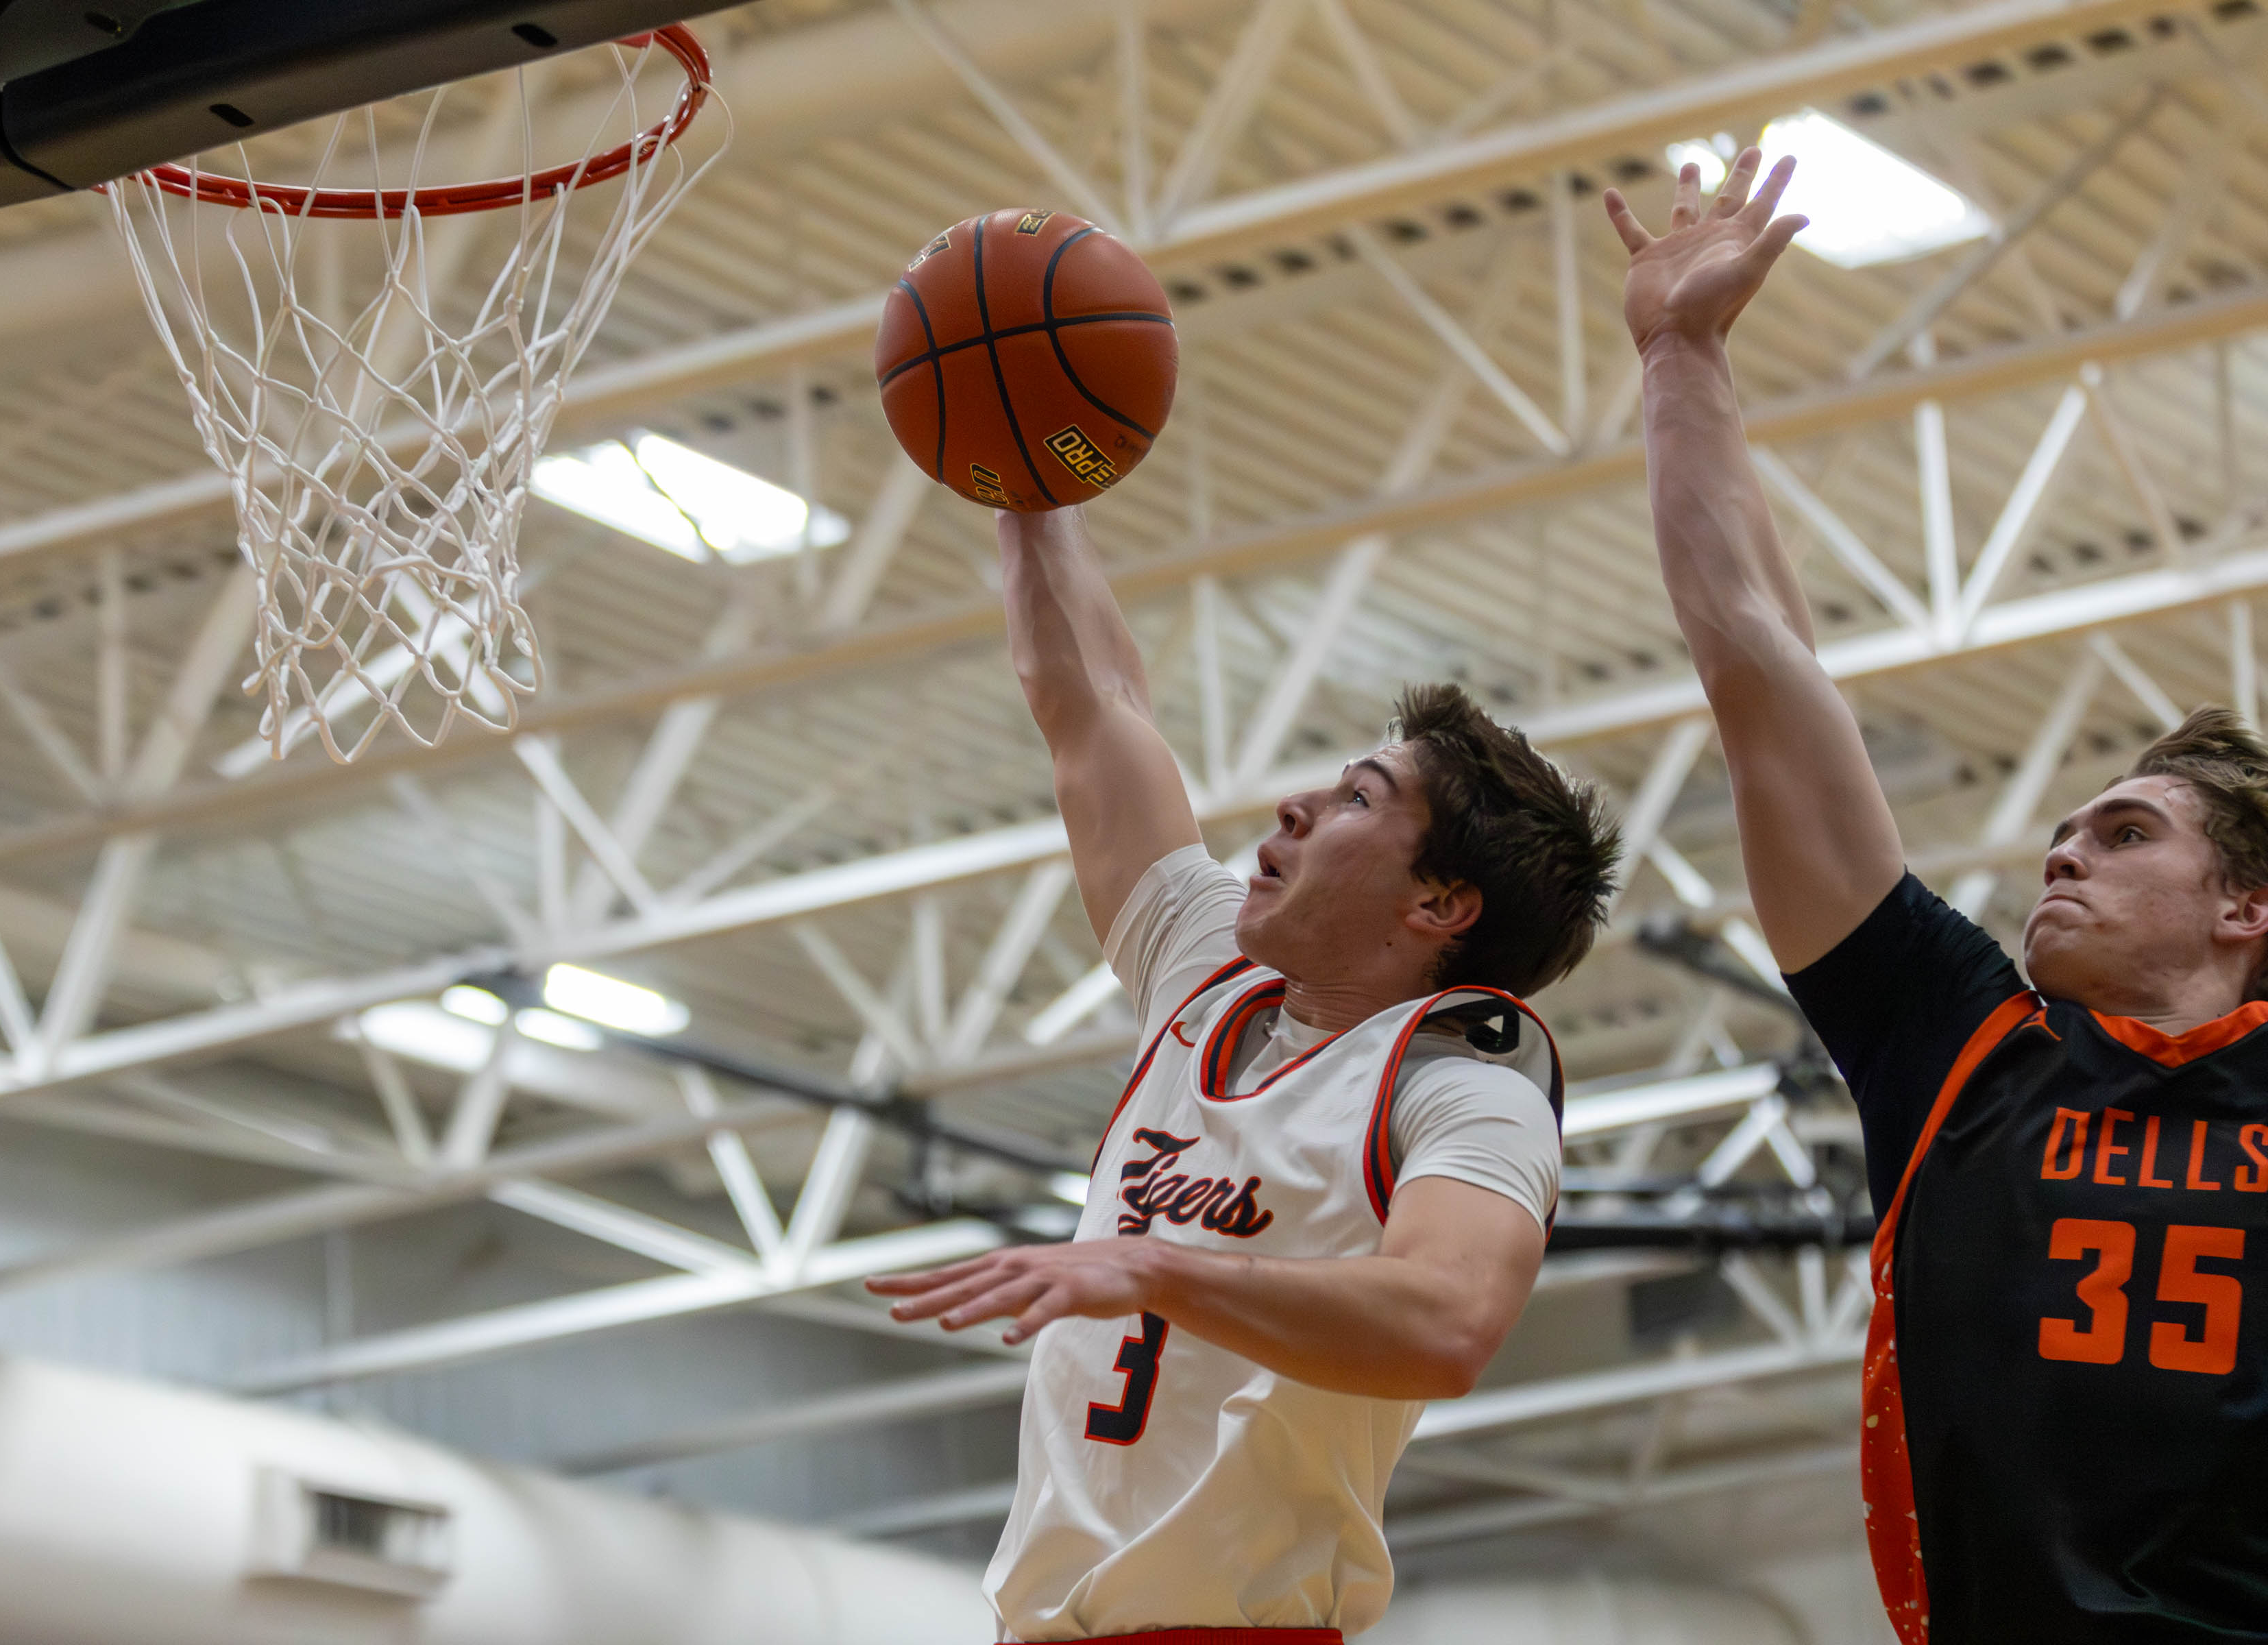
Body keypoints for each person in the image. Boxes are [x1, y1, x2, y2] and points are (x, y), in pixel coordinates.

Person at [1610, 147, 2268, 1642]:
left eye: (2125, 834)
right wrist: (1680, 358)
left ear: (2247, 908)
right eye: (2066, 834)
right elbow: (1759, 661)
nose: (2063, 855)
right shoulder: (1969, 1048)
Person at [864, 504, 1620, 1643]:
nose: (1295, 806)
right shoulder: (1206, 973)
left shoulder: (1465, 1089)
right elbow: (1090, 707)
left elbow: (1449, 1318)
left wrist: (1158, 1269)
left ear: (1438, 905)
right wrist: (1027, 480)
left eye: (1359, 799)